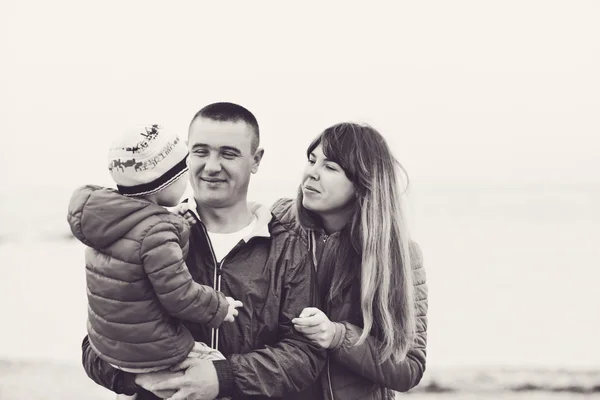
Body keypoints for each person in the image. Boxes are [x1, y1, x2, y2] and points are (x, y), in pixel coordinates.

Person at [79, 103, 325, 400]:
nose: (211, 166)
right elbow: (96, 347)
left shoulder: (286, 247)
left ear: (256, 160)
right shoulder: (142, 238)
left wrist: (223, 377)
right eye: (200, 151)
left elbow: (304, 354)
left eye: (228, 153)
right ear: (185, 154)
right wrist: (141, 378)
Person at [67, 125, 243, 398]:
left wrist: (174, 221)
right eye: (183, 172)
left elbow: (139, 252)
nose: (188, 179)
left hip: (109, 345)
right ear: (166, 182)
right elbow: (180, 295)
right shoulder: (157, 232)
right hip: (151, 348)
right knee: (216, 368)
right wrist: (220, 306)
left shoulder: (105, 224)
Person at [271, 122, 428, 400]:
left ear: (363, 185)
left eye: (330, 168)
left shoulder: (396, 255)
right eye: (311, 160)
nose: (312, 173)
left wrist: (336, 336)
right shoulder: (277, 224)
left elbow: (409, 366)